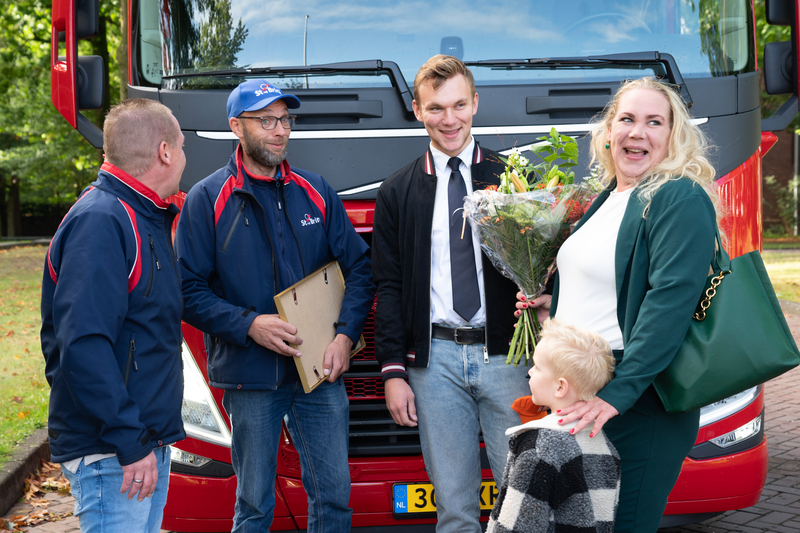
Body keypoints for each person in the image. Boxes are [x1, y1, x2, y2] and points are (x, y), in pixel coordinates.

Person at [521, 77, 722, 532]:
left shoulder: (678, 196)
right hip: (589, 395)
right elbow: (614, 288)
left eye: (655, 122)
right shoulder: (607, 198)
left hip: (635, 403)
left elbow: (668, 303)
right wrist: (552, 307)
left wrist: (616, 396)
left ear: (673, 136)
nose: (638, 132)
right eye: (627, 119)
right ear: (608, 131)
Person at [176, 79, 374, 533]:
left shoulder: (316, 190)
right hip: (251, 378)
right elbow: (186, 290)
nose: (279, 130)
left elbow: (360, 270)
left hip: (319, 374)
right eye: (266, 120)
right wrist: (249, 325)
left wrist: (344, 337)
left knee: (334, 500)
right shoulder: (208, 198)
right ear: (236, 127)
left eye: (285, 119)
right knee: (254, 505)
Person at [372, 55, 530, 532]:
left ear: (475, 103)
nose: (450, 119)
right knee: (456, 509)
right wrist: (393, 372)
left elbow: (544, 272)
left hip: (506, 359)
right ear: (418, 111)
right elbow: (389, 285)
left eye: (459, 105)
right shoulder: (397, 192)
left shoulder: (513, 181)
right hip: (434, 364)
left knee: (523, 500)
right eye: (436, 108)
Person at [40, 98, 187, 533]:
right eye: (181, 145)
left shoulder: (141, 214)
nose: (184, 155)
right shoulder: (103, 220)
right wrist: (128, 440)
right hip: (115, 452)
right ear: (164, 152)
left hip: (137, 442)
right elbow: (83, 345)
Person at [487, 319, 620, 533]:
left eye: (537, 367)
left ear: (560, 387)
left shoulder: (539, 447)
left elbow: (518, 524)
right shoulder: (606, 448)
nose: (530, 372)